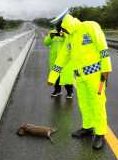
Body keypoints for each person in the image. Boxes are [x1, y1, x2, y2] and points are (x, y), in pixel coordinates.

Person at [47, 9, 112, 150]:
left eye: (61, 29)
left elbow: (103, 46)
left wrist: (106, 68)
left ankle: (100, 133)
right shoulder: (69, 38)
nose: (61, 32)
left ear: (65, 24)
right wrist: (52, 77)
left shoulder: (90, 26)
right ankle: (88, 128)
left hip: (95, 75)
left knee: (97, 103)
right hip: (79, 77)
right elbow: (61, 58)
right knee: (84, 103)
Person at [43, 27, 74, 99]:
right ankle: (57, 91)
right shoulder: (52, 32)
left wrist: (64, 35)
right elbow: (46, 43)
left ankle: (70, 92)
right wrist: (50, 37)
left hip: (65, 59)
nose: (58, 27)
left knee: (67, 76)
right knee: (56, 76)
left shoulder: (67, 32)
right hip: (54, 59)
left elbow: (72, 43)